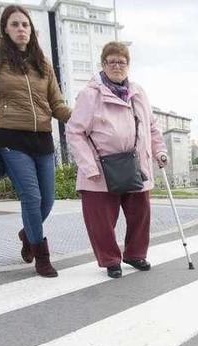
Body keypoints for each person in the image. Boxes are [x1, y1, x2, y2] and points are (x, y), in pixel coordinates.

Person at [0, 4, 71, 277]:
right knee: (31, 197)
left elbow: (57, 104)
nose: (21, 29)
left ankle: (27, 234)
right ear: (5, 28)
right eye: (15, 24)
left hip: (42, 138)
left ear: (31, 30)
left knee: (47, 200)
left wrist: (84, 118)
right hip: (11, 137)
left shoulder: (42, 61)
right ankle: (41, 255)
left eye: (25, 25)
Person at [67, 42, 169, 279]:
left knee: (140, 213)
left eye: (121, 62)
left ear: (128, 65)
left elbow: (151, 127)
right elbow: (74, 132)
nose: (117, 66)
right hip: (100, 169)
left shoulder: (138, 92)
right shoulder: (89, 94)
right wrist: (89, 166)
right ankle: (111, 260)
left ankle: (135, 254)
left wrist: (159, 151)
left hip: (135, 165)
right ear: (103, 64)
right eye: (111, 61)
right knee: (101, 220)